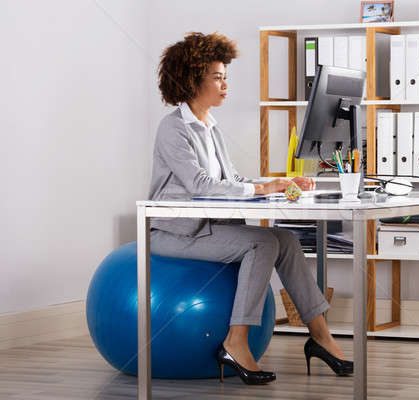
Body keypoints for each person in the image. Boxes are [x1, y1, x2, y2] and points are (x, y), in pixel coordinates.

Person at [147, 31, 352, 385]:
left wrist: (277, 182)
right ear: (193, 79)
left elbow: (231, 178)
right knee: (262, 243)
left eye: (226, 77)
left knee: (285, 240)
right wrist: (260, 187)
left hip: (211, 228)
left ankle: (321, 336)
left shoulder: (210, 127)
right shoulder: (173, 129)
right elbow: (199, 185)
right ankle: (236, 342)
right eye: (218, 77)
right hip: (174, 233)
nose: (225, 85)